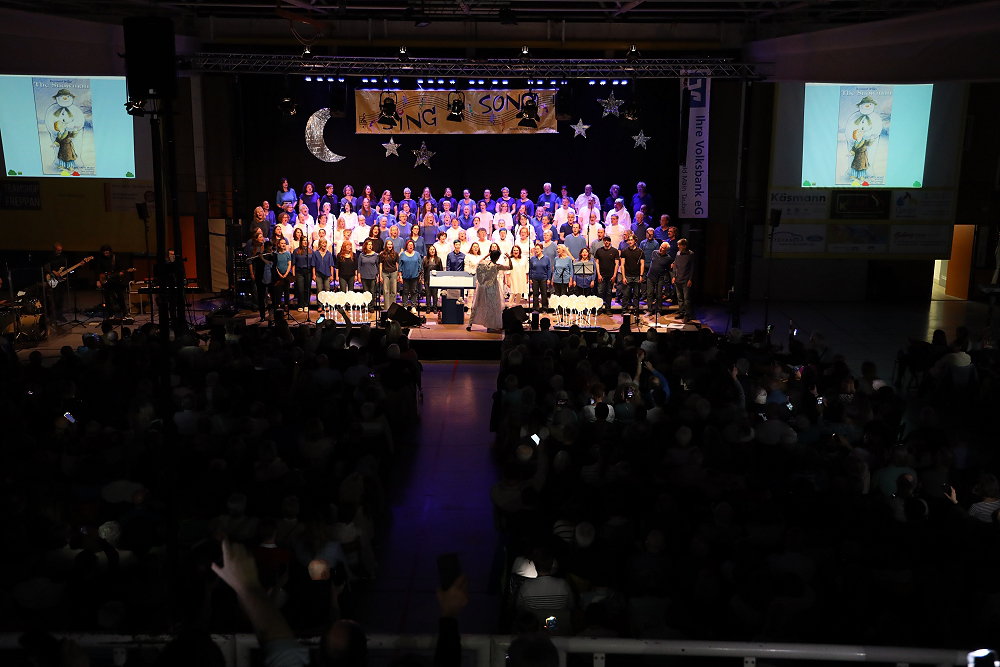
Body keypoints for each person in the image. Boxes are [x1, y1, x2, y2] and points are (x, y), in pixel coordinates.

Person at [467, 247, 513, 333]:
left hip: (482, 287)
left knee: (477, 304)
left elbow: (479, 262)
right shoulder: (497, 266)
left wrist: (487, 255)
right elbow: (510, 267)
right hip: (492, 287)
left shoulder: (484, 263)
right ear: (498, 257)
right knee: (492, 305)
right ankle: (490, 325)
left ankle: (470, 324)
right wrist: (509, 258)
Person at [94, 244, 130, 317]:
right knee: (107, 298)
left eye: (107, 252)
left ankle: (125, 312)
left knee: (120, 296)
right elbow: (98, 270)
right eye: (104, 252)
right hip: (105, 281)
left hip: (115, 280)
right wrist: (98, 280)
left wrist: (121, 273)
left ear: (110, 252)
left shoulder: (115, 258)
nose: (106, 253)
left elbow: (121, 268)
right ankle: (110, 314)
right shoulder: (100, 259)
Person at [157, 247, 187, 329]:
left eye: (173, 254)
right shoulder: (166, 263)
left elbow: (182, 273)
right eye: (170, 254)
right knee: (172, 304)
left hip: (178, 286)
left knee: (180, 303)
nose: (172, 256)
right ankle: (173, 320)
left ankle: (181, 320)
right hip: (170, 287)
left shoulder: (179, 263)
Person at [43, 242, 70, 323]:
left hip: (60, 280)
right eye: (58, 250)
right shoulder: (49, 257)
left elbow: (65, 267)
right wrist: (53, 271)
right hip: (52, 278)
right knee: (53, 299)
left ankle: (60, 315)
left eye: (61, 250)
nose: (59, 252)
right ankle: (51, 316)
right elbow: (46, 267)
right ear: (54, 249)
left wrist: (64, 274)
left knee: (60, 298)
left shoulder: (63, 257)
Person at [620, 234, 645, 314]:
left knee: (636, 295)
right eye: (629, 240)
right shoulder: (624, 251)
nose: (630, 241)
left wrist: (641, 275)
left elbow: (642, 264)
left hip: (637, 276)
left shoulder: (640, 252)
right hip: (627, 276)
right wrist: (623, 277)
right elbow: (622, 265)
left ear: (635, 241)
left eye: (631, 240)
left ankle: (636, 311)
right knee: (626, 295)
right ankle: (624, 310)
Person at [671, 238, 695, 321]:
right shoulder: (678, 253)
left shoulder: (690, 254)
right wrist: (674, 276)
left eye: (679, 245)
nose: (678, 246)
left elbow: (692, 268)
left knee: (686, 299)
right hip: (678, 279)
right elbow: (675, 265)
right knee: (679, 298)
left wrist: (690, 279)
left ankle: (687, 315)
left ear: (684, 246)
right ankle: (681, 312)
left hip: (686, 280)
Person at [594, 237, 620, 314]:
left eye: (608, 241)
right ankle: (599, 309)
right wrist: (598, 274)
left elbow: (617, 264)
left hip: (611, 276)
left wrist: (614, 275)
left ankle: (608, 309)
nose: (606, 242)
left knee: (609, 292)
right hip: (601, 275)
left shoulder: (614, 251)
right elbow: (597, 263)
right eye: (605, 241)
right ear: (603, 242)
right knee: (600, 292)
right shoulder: (599, 251)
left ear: (610, 242)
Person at [646, 242, 672, 316]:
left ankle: (658, 311)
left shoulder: (668, 258)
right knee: (649, 294)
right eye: (661, 246)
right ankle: (649, 310)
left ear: (666, 250)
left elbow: (668, 269)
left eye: (663, 248)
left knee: (659, 295)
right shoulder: (654, 252)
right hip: (650, 276)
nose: (661, 248)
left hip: (660, 278)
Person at [249, 239, 272, 320]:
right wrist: (257, 254)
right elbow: (251, 261)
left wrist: (262, 258)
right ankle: (262, 316)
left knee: (271, 299)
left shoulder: (272, 255)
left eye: (270, 249)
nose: (270, 250)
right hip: (261, 279)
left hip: (270, 279)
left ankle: (271, 316)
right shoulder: (259, 255)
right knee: (261, 298)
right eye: (268, 249)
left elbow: (270, 264)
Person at [528, 243, 552, 312]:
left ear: (541, 249)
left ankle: (544, 308)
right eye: (535, 249)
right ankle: (536, 308)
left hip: (543, 278)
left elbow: (549, 269)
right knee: (535, 293)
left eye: (538, 249)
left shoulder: (546, 258)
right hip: (534, 278)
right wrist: (530, 278)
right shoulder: (533, 259)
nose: (536, 250)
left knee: (544, 293)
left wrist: (549, 278)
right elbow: (530, 269)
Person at [399, 240, 422, 308]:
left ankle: (413, 306)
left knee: (414, 291)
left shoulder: (417, 254)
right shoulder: (402, 254)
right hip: (405, 276)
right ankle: (405, 306)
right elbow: (400, 266)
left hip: (415, 276)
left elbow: (420, 265)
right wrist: (400, 276)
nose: (410, 246)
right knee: (405, 291)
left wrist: (420, 276)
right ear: (406, 246)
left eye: (412, 245)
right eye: (409, 245)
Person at [358, 239, 380, 309]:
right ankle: (366, 306)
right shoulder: (361, 255)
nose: (370, 246)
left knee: (372, 292)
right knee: (365, 292)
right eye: (369, 244)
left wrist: (378, 275)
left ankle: (371, 307)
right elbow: (359, 266)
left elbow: (378, 266)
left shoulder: (376, 255)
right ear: (365, 246)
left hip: (373, 276)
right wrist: (359, 275)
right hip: (364, 276)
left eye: (371, 244)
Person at [271, 238, 293, 311]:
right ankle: (278, 305)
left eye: (284, 243)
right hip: (278, 275)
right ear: (278, 244)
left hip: (286, 274)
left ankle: (286, 305)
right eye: (282, 243)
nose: (283, 245)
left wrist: (286, 274)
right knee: (278, 291)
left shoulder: (288, 253)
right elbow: (275, 265)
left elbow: (289, 264)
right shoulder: (275, 254)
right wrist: (279, 274)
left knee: (286, 291)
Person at [422, 245, 444, 313]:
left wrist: (440, 279)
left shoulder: (438, 259)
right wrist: (422, 279)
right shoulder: (425, 259)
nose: (432, 251)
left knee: (435, 294)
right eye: (431, 249)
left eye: (433, 249)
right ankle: (428, 308)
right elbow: (422, 270)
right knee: (428, 294)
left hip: (435, 280)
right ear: (428, 251)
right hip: (427, 279)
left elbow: (441, 270)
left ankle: (435, 308)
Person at [292, 238, 312, 311]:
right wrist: (293, 274)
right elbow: (293, 263)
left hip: (308, 271)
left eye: (306, 240)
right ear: (301, 242)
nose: (305, 242)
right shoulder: (296, 251)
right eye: (303, 240)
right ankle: (300, 304)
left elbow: (313, 263)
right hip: (299, 272)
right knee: (300, 289)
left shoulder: (310, 251)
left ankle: (306, 304)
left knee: (307, 288)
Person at [379, 240, 400, 310]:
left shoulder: (395, 254)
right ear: (386, 245)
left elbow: (397, 264)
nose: (390, 246)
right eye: (388, 244)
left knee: (393, 291)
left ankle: (392, 308)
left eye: (391, 244)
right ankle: (386, 308)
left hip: (393, 273)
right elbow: (380, 265)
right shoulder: (382, 254)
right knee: (386, 291)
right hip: (385, 273)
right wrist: (380, 275)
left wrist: (398, 274)